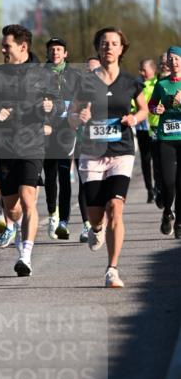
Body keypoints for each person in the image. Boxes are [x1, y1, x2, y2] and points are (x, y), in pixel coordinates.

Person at [0, 24, 57, 277]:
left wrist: (51, 108)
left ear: (23, 47)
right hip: (4, 146)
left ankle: (25, 255)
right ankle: (18, 228)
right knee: (12, 208)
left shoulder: (43, 74)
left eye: (6, 45)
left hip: (32, 144)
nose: (2, 49)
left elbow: (58, 104)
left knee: (29, 199)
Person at [69, 27, 148, 288]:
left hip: (121, 151)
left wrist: (134, 118)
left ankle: (112, 269)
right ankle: (96, 228)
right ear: (98, 48)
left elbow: (144, 108)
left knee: (115, 207)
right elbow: (71, 115)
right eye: (104, 44)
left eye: (114, 43)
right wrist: (78, 118)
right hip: (91, 152)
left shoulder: (130, 82)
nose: (109, 48)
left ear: (121, 49)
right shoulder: (86, 81)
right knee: (96, 213)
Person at [43, 37, 81, 240]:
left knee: (64, 175)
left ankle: (64, 221)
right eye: (52, 49)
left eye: (59, 49)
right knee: (50, 175)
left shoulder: (75, 75)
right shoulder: (39, 75)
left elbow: (83, 98)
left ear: (65, 53)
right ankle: (52, 214)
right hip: (47, 129)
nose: (55, 52)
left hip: (67, 128)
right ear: (48, 53)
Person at [148, 45, 181, 238]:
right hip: (166, 138)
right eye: (171, 59)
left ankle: (180, 223)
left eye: (177, 59)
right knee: (168, 182)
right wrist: (156, 110)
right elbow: (152, 104)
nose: (174, 62)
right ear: (167, 62)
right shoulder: (162, 84)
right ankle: (167, 212)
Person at [77, 57, 103, 242]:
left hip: (107, 144)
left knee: (104, 185)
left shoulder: (111, 89)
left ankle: (102, 221)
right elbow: (69, 114)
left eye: (96, 70)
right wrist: (77, 116)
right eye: (90, 71)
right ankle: (87, 225)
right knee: (84, 184)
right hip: (83, 142)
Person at [135, 59, 159, 203]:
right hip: (142, 127)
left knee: (157, 159)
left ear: (153, 70)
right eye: (140, 69)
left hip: (155, 127)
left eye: (144, 69)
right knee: (145, 159)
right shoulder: (138, 84)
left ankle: (157, 187)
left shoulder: (159, 83)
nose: (141, 72)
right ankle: (149, 189)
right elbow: (132, 103)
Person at [151, 53, 172, 208]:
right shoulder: (155, 82)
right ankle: (159, 188)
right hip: (155, 129)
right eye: (163, 62)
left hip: (174, 132)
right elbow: (149, 104)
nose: (165, 64)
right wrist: (154, 108)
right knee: (157, 164)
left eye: (168, 61)